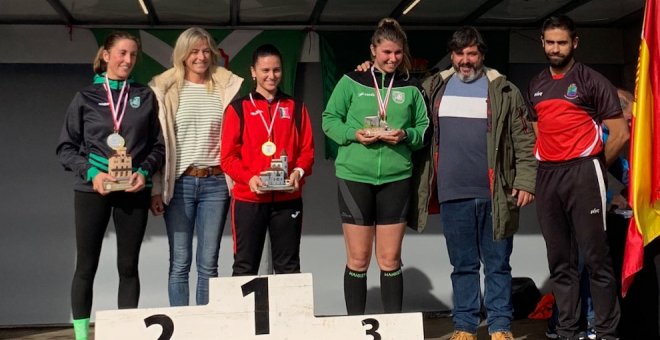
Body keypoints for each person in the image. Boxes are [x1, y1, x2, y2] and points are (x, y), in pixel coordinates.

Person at [418, 26, 537, 340]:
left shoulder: (504, 90)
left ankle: (500, 327)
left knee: (498, 265)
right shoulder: (433, 88)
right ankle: (465, 326)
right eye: (459, 53)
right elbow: (396, 83)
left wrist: (525, 181)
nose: (465, 60)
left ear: (481, 55)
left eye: (472, 53)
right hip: (452, 192)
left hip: (496, 194)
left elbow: (524, 140)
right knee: (463, 266)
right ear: (452, 55)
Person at [56, 31, 165, 340]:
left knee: (129, 266)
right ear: (105, 55)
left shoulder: (144, 96)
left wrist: (143, 172)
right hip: (93, 189)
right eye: (121, 53)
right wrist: (93, 173)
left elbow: (158, 147)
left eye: (133, 55)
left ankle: (126, 334)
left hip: (133, 189)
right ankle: (80, 336)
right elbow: (65, 148)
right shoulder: (85, 97)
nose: (127, 60)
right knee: (86, 265)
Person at [527, 15, 629, 340]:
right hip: (549, 175)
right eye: (550, 42)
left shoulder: (591, 80)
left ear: (575, 43)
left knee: (596, 257)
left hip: (584, 171)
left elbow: (620, 133)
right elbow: (537, 134)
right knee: (560, 259)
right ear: (542, 43)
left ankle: (607, 331)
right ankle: (567, 330)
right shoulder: (537, 84)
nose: (556, 48)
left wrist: (594, 165)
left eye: (562, 42)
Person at [322, 18, 430, 315]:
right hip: (355, 176)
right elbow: (330, 119)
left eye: (397, 53)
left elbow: (424, 129)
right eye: (386, 53)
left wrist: (406, 135)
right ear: (373, 51)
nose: (392, 58)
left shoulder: (411, 86)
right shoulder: (351, 82)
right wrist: (352, 135)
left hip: (396, 179)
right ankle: (355, 328)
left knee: (390, 258)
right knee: (358, 259)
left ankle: (393, 328)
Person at [149, 27, 243, 306]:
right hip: (179, 183)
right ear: (182, 55)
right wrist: (156, 189)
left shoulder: (226, 87)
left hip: (216, 183)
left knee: (209, 263)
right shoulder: (165, 89)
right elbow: (160, 143)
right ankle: (181, 328)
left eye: (205, 50)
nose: (201, 57)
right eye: (194, 51)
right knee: (180, 262)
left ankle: (205, 327)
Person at [221, 43, 314, 276]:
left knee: (288, 266)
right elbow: (228, 158)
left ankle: (287, 314)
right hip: (250, 198)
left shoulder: (296, 107)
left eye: (276, 70)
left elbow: (307, 151)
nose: (271, 76)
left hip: (287, 198)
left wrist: (298, 172)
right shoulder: (238, 109)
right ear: (253, 71)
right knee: (244, 265)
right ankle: (243, 314)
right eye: (265, 70)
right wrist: (248, 178)